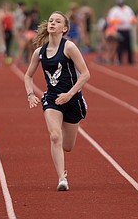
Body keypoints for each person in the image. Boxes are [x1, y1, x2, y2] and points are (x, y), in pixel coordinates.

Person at [24, 11, 90, 191]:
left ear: (65, 28)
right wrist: (30, 94)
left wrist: (69, 94)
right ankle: (62, 178)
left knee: (67, 146)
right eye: (51, 20)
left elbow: (85, 74)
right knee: (54, 136)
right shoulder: (39, 52)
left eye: (57, 21)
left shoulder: (69, 47)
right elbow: (28, 76)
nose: (52, 23)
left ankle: (69, 117)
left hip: (72, 98)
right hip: (52, 98)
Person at [107, 0, 136, 65]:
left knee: (129, 46)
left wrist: (130, 21)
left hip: (127, 29)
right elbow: (110, 20)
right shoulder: (114, 10)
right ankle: (120, 60)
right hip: (119, 30)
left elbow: (133, 18)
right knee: (119, 46)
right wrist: (119, 21)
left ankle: (130, 60)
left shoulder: (128, 9)